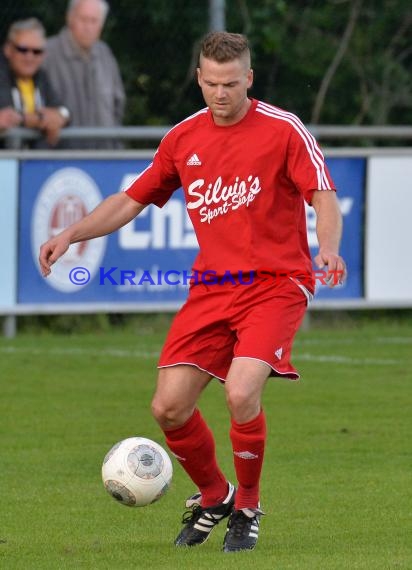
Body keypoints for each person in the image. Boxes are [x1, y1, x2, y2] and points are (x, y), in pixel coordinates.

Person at [39, 32, 346, 552]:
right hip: (213, 289)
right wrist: (72, 233)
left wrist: (330, 248)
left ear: (248, 78)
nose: (220, 93)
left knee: (241, 391)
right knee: (169, 408)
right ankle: (214, 495)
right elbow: (130, 201)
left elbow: (324, 195)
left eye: (231, 83)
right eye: (210, 83)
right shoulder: (183, 138)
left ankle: (247, 504)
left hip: (277, 284)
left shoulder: (283, 130)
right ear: (199, 78)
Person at [43, 0, 125, 149]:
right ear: (70, 18)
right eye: (83, 19)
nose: (88, 27)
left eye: (94, 21)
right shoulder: (46, 54)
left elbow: (118, 105)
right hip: (59, 159)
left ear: (101, 25)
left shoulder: (105, 54)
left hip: (105, 153)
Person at [0, 18, 70, 148]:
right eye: (23, 49)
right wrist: (41, 120)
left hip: (33, 165)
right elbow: (8, 117)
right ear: (8, 49)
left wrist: (61, 116)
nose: (29, 57)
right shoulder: (2, 74)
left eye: (37, 51)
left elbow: (64, 110)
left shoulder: (41, 77)